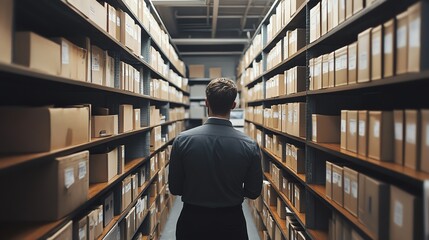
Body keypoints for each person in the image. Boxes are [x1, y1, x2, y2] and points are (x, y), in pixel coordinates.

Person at [168, 77, 263, 240]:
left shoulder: (182, 140)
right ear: (234, 105)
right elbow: (253, 192)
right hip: (231, 223)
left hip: (192, 221)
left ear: (206, 103)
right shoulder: (249, 145)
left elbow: (175, 188)